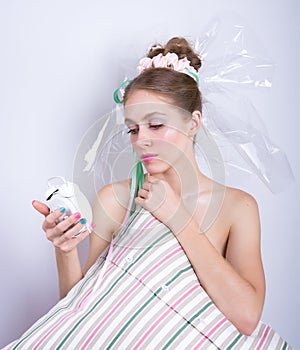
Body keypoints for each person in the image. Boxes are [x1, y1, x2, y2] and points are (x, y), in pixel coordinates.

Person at [4, 37, 292, 349]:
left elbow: (247, 317)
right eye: (132, 129)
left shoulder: (236, 207)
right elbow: (81, 313)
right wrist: (65, 250)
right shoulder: (114, 200)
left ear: (193, 123)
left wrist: (177, 217)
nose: (141, 140)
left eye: (156, 125)